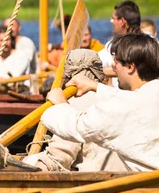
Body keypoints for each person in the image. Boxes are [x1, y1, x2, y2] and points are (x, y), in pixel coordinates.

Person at [41, 34, 159, 171]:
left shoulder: (124, 107)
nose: (113, 68)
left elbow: (79, 128)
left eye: (116, 62)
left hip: (147, 189)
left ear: (130, 67)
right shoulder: (148, 94)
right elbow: (133, 99)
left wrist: (60, 105)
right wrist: (95, 86)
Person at [24, 49, 128, 172]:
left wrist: (29, 163)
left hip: (96, 181)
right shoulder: (117, 97)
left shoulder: (74, 102)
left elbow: (58, 159)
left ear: (67, 74)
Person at [98, 0, 142, 86]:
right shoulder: (152, 42)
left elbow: (137, 69)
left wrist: (101, 71)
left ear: (122, 21)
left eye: (113, 19)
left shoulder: (114, 45)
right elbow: (97, 58)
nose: (111, 22)